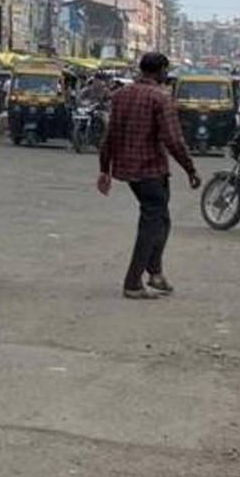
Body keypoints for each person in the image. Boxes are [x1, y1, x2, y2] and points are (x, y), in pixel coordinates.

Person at [97, 52, 201, 300]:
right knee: (152, 223)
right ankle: (133, 282)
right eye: (166, 70)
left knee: (161, 219)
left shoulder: (121, 95)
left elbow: (109, 135)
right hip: (151, 169)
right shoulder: (160, 98)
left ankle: (155, 273)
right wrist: (190, 168)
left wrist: (105, 168)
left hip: (128, 169)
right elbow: (173, 139)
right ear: (161, 70)